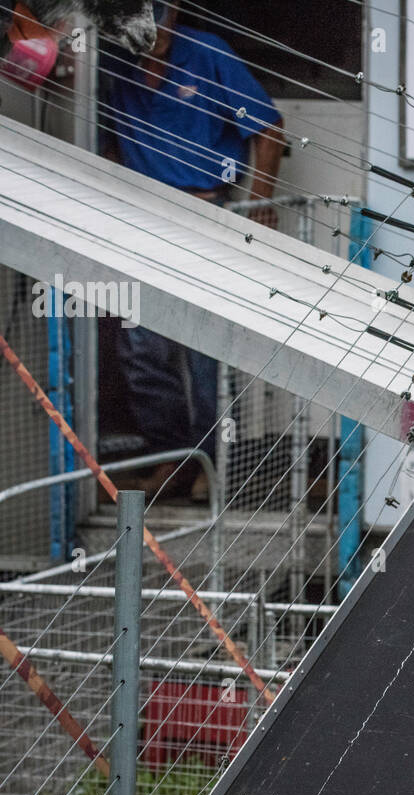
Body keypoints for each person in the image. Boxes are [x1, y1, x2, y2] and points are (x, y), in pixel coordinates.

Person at [100, 0, 284, 498]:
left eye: (157, 20)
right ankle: (176, 454)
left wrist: (257, 206)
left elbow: (268, 129)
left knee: (207, 350)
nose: (150, 31)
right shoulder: (117, 61)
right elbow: (109, 140)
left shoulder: (207, 53)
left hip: (208, 215)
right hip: (144, 221)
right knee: (140, 346)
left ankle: (215, 462)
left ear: (175, 13)